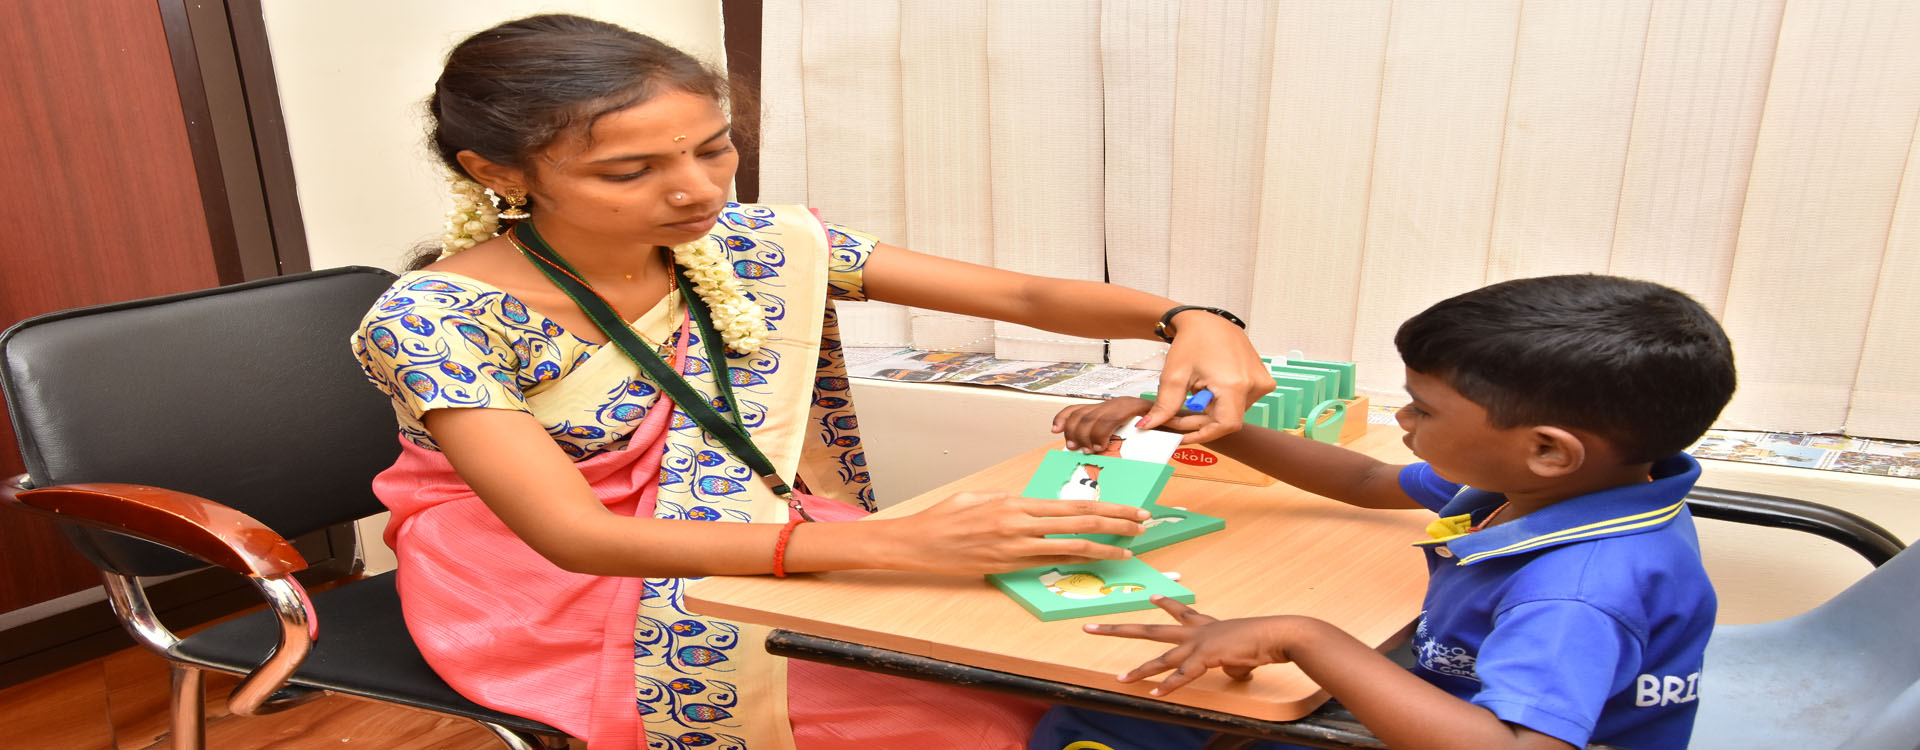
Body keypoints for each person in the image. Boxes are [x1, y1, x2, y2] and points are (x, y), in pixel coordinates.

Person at [350, 14, 1275, 750]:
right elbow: (574, 534)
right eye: (631, 170)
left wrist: (1191, 319)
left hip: (761, 527)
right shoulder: (431, 318)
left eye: (713, 149)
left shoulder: (751, 243)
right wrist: (900, 546)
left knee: (1055, 653)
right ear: (496, 172)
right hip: (551, 585)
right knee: (974, 718)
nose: (696, 191)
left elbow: (1023, 293)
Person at [1035, 274, 1737, 750]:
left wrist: (1304, 636)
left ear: (1549, 450)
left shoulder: (1576, 592)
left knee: (1116, 718)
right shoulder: (1561, 489)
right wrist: (1210, 426)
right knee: (1173, 705)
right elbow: (1368, 478)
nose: (1401, 417)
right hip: (1458, 691)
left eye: (1423, 409)